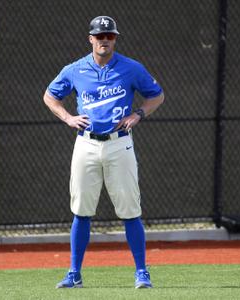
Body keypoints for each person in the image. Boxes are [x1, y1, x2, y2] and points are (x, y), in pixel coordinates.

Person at [43, 15, 164, 289]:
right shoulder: (75, 69)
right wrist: (67, 118)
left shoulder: (131, 68)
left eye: (109, 36)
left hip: (119, 142)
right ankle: (74, 273)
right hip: (85, 143)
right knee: (81, 210)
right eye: (99, 36)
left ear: (115, 39)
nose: (104, 40)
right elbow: (50, 95)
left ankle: (142, 272)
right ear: (91, 39)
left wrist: (139, 114)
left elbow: (157, 95)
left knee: (130, 210)